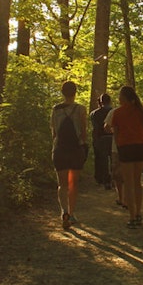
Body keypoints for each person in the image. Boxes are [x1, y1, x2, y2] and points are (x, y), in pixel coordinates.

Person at [107, 85, 143, 228]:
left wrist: (118, 150)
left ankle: (132, 216)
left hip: (126, 148)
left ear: (123, 98)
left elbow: (116, 133)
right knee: (137, 182)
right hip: (141, 147)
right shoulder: (142, 112)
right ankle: (138, 214)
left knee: (129, 183)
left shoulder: (117, 113)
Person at [51, 81, 88, 230]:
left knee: (62, 184)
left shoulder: (56, 109)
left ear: (62, 92)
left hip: (60, 149)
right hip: (75, 150)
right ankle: (72, 213)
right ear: (75, 92)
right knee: (73, 183)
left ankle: (64, 212)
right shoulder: (80, 109)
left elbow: (54, 132)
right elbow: (84, 132)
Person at [90, 93, 114, 189]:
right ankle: (114, 179)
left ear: (100, 102)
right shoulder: (114, 112)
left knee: (101, 160)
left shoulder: (94, 114)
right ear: (110, 101)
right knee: (114, 160)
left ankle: (103, 179)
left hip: (100, 138)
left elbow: (95, 128)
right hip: (112, 137)